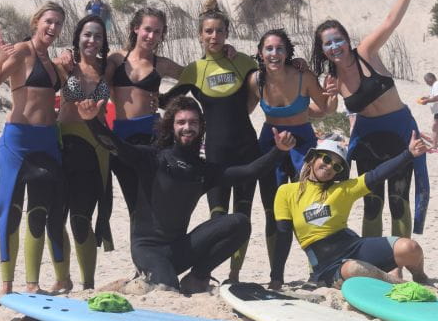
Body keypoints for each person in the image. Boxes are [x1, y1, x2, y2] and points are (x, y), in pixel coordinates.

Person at [76, 96, 296, 293]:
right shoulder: (153, 159)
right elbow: (114, 145)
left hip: (179, 248)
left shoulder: (202, 170)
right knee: (167, 288)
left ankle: (198, 277)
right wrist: (91, 121)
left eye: (193, 122)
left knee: (239, 222)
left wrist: (279, 150)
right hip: (148, 249)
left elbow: (249, 171)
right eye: (181, 122)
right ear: (171, 127)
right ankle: (131, 284)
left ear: (201, 128)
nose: (187, 127)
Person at [311, 0, 429, 239]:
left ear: (346, 40)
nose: (334, 47)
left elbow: (390, 21)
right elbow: (325, 112)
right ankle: (374, 261)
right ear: (322, 49)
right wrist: (328, 97)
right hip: (368, 142)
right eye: (327, 44)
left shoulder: (366, 51)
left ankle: (399, 264)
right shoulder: (333, 80)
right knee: (372, 203)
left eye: (337, 40)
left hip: (400, 132)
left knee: (399, 201)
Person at [160, 0, 262, 284]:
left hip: (247, 149)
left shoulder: (243, 62)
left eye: (219, 31)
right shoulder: (194, 70)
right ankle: (203, 273)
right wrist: (152, 70)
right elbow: (166, 103)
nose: (213, 36)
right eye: (208, 31)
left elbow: (262, 90)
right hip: (215, 154)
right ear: (199, 35)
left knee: (243, 216)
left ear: (227, 33)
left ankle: (234, 275)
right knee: (218, 218)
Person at [0, 3, 69, 295]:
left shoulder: (54, 63)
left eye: (58, 24)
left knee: (43, 210)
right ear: (36, 22)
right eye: (49, 22)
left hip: (47, 141)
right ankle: (7, 286)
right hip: (18, 141)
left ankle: (34, 284)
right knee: (9, 208)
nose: (53, 28)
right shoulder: (21, 50)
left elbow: (75, 91)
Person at [270, 137, 429, 290]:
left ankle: (420, 277)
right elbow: (283, 235)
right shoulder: (287, 192)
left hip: (353, 246)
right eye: (326, 159)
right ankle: (396, 282)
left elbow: (376, 175)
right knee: (354, 270)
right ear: (313, 158)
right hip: (325, 263)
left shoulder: (343, 189)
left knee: (410, 247)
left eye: (337, 166)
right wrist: (276, 278)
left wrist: (408, 154)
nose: (330, 167)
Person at [246, 28, 339, 275]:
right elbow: (241, 112)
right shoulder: (256, 80)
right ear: (260, 52)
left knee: (311, 210)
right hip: (270, 145)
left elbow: (326, 109)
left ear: (287, 53)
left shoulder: (303, 76)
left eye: (279, 48)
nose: (274, 53)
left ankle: (317, 270)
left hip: (303, 145)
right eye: (269, 48)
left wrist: (333, 93)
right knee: (272, 212)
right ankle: (276, 274)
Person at [104, 7, 185, 220]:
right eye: (147, 29)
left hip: (154, 137)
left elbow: (193, 76)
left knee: (157, 201)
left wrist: (167, 101)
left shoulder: (162, 64)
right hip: (122, 138)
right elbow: (99, 84)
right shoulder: (116, 59)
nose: (151, 36)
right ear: (135, 28)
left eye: (157, 32)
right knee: (134, 205)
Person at [55, 14, 112, 290]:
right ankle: (62, 279)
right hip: (64, 146)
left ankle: (88, 284)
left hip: (94, 150)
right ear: (78, 37)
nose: (92, 40)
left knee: (81, 218)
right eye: (87, 35)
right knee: (56, 217)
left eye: (98, 36)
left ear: (104, 41)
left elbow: (142, 55)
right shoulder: (64, 65)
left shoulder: (108, 67)